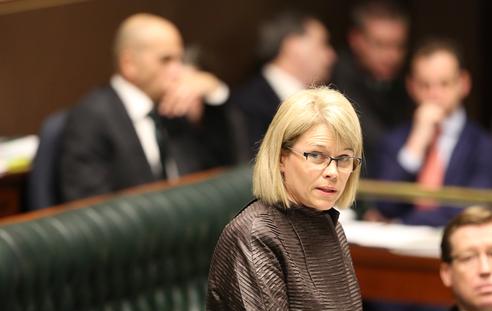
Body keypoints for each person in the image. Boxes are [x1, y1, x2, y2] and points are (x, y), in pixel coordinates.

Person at [206, 87, 373, 311]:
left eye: (344, 159)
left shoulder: (328, 224)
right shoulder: (253, 234)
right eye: (317, 156)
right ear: (282, 157)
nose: (333, 172)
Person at [58, 13, 235, 202]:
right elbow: (91, 208)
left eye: (179, 60)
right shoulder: (91, 117)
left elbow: (224, 169)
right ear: (129, 64)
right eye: (166, 60)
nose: (178, 71)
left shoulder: (173, 108)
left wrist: (214, 92)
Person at [374, 38, 492, 226]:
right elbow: (385, 205)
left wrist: (404, 220)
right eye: (425, 85)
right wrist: (416, 144)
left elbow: (473, 209)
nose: (434, 94)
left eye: (444, 84)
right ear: (411, 87)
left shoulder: (486, 146)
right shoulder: (393, 141)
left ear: (464, 83)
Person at [230, 11, 336, 159]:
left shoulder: (327, 99)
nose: (331, 55)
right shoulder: (247, 104)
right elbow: (249, 170)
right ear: (294, 45)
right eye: (322, 44)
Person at [331, 0, 412, 178]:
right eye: (381, 45)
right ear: (355, 40)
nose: (392, 56)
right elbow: (374, 140)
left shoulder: (405, 81)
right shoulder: (337, 81)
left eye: (399, 46)